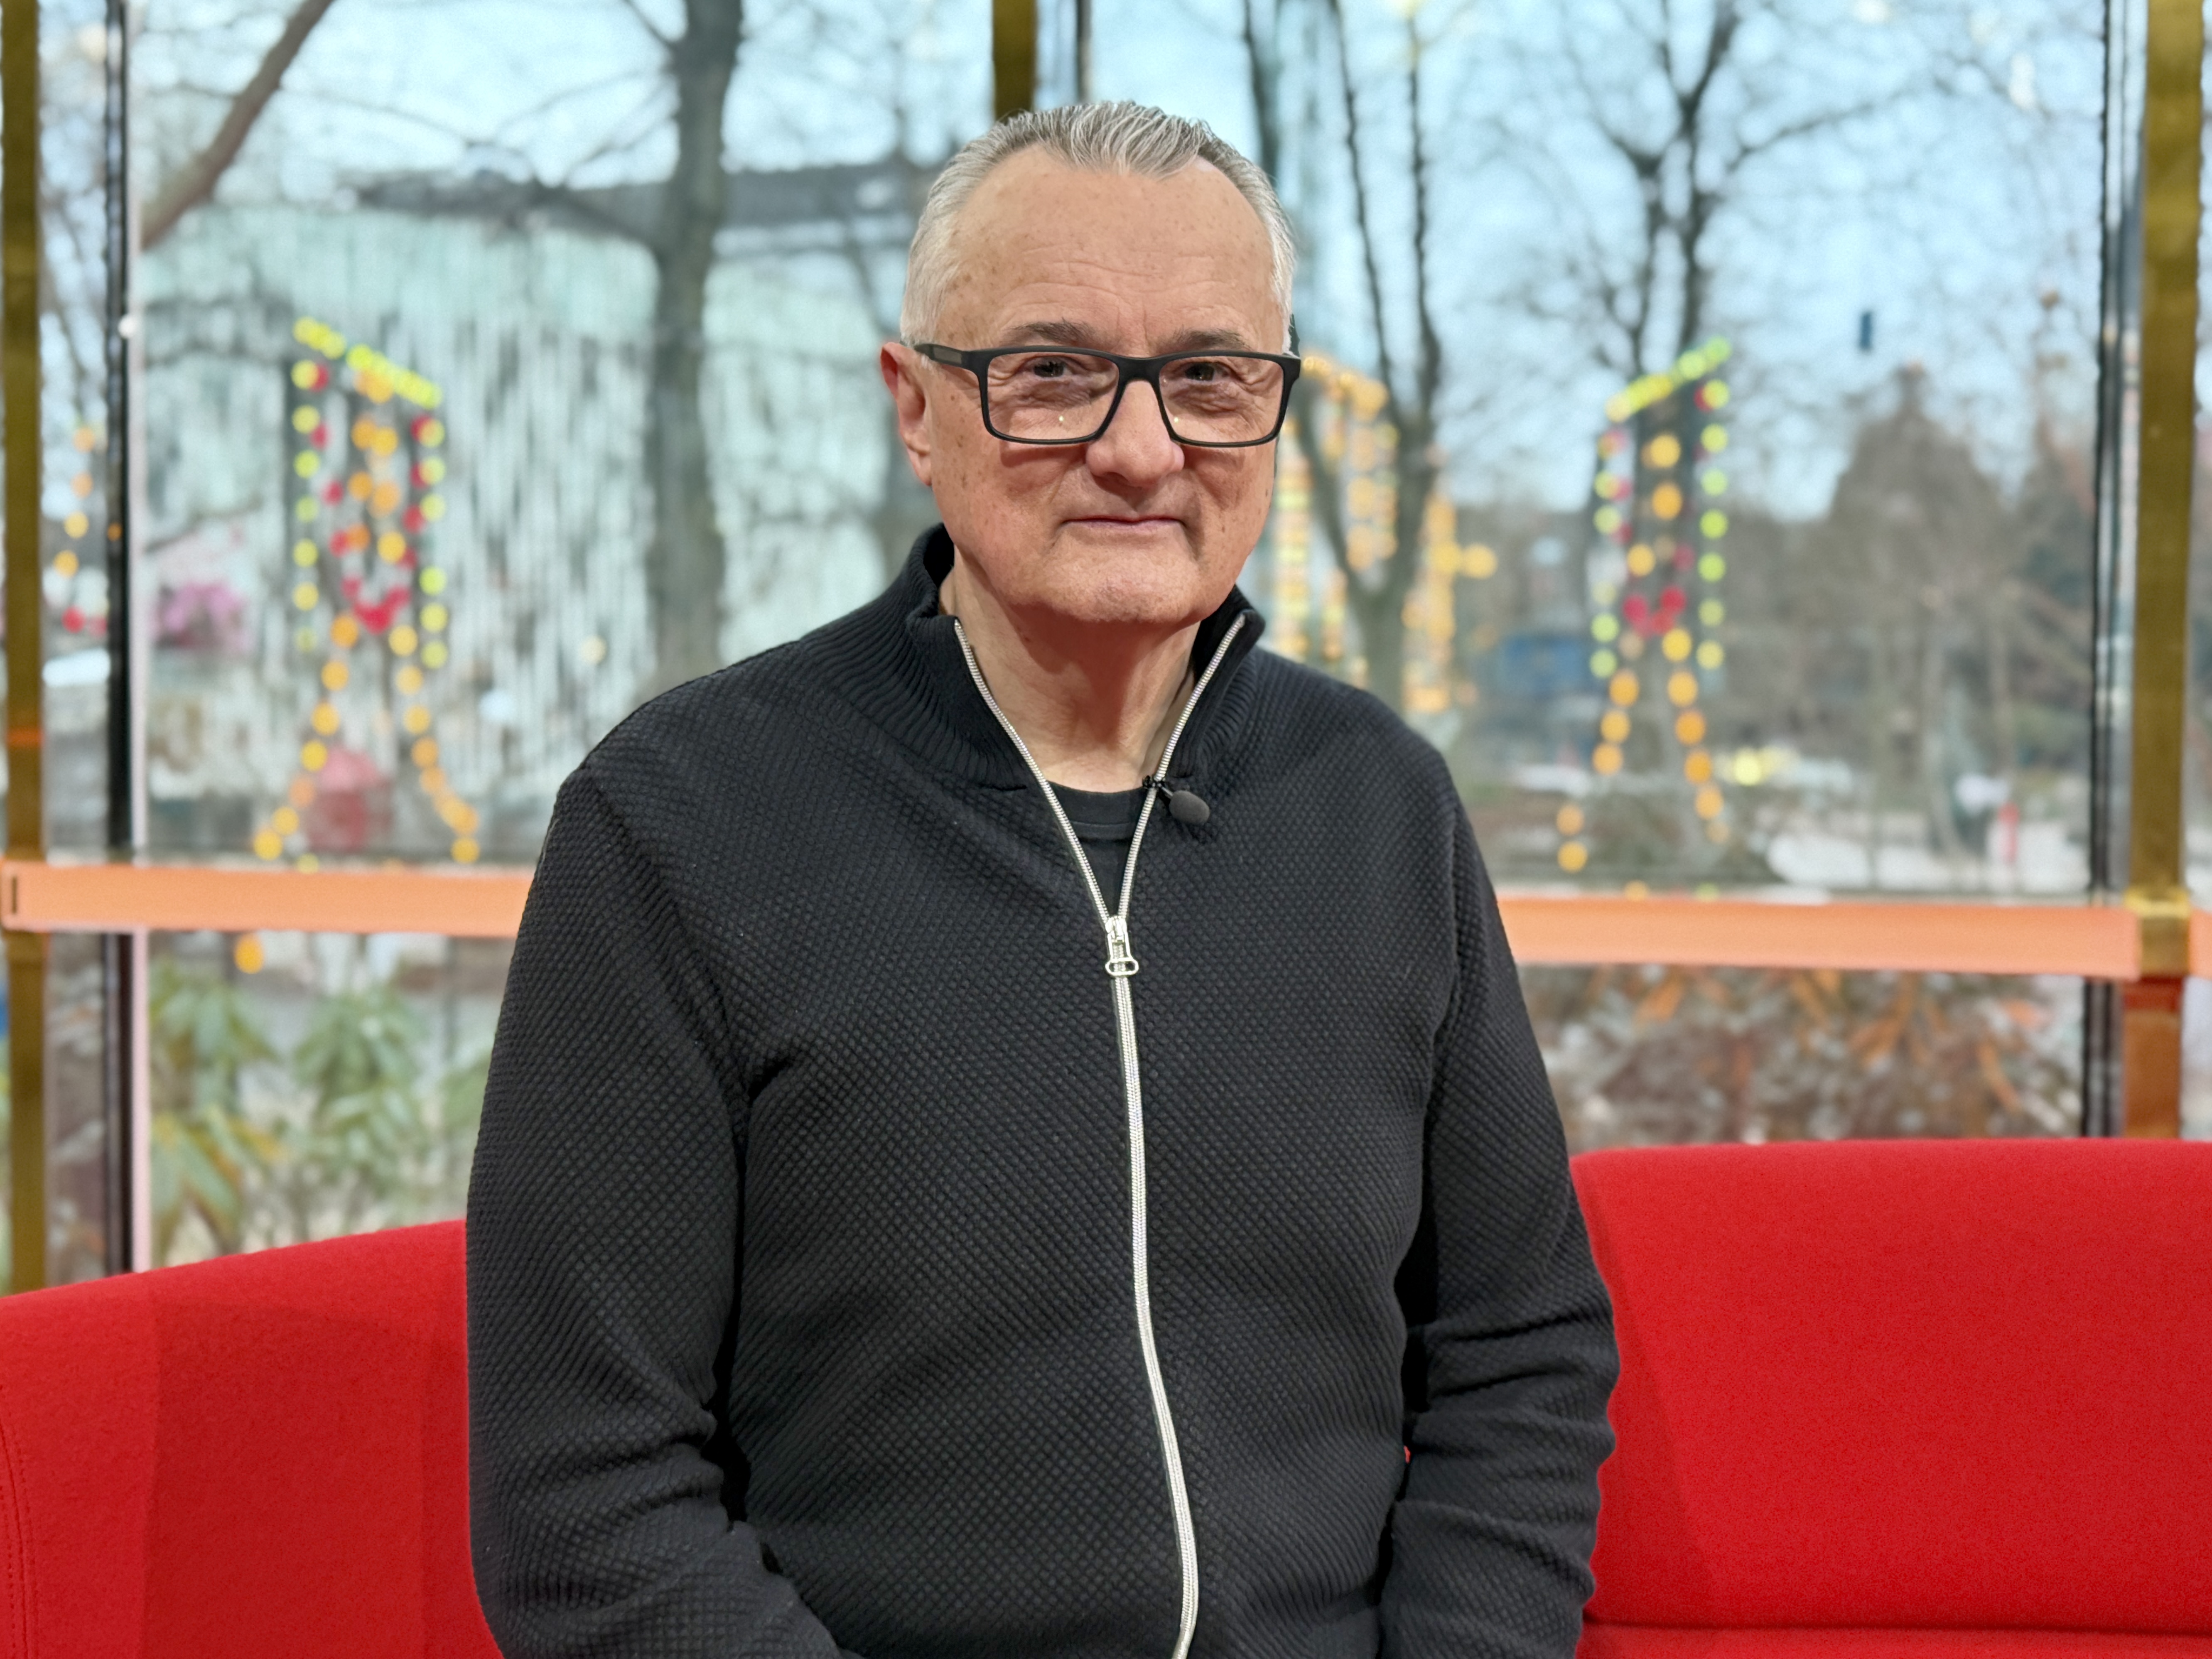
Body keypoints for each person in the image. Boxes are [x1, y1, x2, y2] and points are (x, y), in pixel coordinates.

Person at [467, 101, 1617, 1659]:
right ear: (916, 406)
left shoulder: (1381, 805)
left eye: (1210, 378)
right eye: (1055, 373)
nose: (1141, 450)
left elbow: (1521, 1351)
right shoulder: (680, 818)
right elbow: (588, 1499)